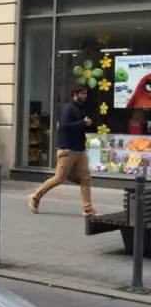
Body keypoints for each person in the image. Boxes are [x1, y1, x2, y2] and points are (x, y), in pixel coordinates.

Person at [29, 86, 98, 217]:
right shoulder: (68, 108)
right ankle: (35, 197)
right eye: (83, 94)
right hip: (68, 150)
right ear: (75, 94)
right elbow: (64, 127)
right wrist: (83, 123)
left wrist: (86, 123)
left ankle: (88, 209)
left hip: (79, 150)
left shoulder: (80, 108)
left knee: (86, 178)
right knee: (59, 178)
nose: (85, 96)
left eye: (86, 94)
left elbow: (79, 126)